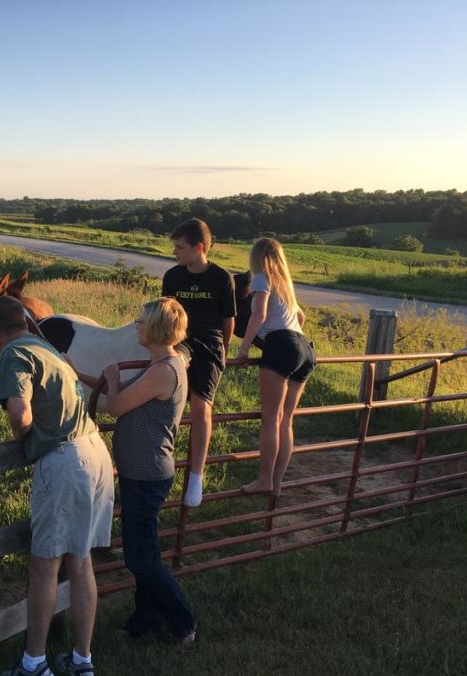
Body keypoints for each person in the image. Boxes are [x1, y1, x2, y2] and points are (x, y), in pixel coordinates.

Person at [0, 295, 115, 676]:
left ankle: (34, 665)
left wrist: (24, 438)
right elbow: (17, 370)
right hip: (95, 454)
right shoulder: (42, 347)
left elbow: (19, 411)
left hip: (63, 463)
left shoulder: (14, 354)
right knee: (80, 562)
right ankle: (82, 661)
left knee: (44, 566)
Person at [72, 297, 197, 645]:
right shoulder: (161, 364)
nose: (135, 326)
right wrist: (77, 372)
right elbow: (118, 390)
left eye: (140, 321)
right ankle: (145, 621)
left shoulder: (162, 371)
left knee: (140, 557)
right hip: (142, 471)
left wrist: (111, 377)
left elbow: (116, 405)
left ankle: (183, 620)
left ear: (156, 328)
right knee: (145, 552)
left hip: (146, 473)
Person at [162, 218, 236, 506]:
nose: (175, 252)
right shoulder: (172, 276)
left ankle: (196, 475)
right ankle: (161, 463)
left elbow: (228, 320)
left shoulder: (221, 278)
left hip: (210, 343)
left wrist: (224, 352)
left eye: (180, 247)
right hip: (179, 342)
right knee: (164, 396)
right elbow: (165, 314)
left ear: (199, 247)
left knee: (201, 405)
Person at [235, 237, 317, 497]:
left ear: (257, 257)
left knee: (271, 419)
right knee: (286, 421)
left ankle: (264, 480)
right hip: (305, 348)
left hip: (282, 345)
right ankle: (277, 484)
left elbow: (258, 315)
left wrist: (243, 348)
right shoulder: (285, 283)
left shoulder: (261, 278)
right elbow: (301, 317)